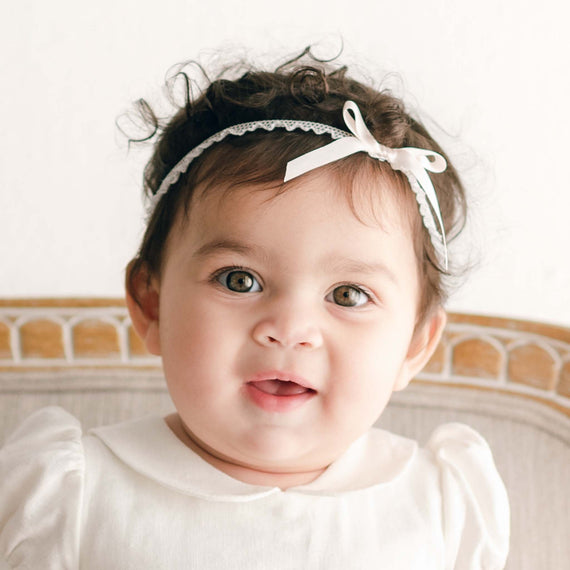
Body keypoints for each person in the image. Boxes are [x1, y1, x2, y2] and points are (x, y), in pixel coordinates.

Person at [0, 50, 510, 568]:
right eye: (240, 281)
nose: (289, 329)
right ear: (151, 304)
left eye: (348, 295)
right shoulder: (72, 493)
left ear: (415, 343)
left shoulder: (440, 505)